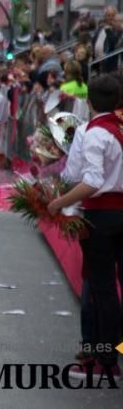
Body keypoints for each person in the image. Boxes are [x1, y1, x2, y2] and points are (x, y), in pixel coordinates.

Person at [49, 75, 123, 380]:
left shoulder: (94, 133)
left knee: (102, 289)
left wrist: (58, 202)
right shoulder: (118, 128)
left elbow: (91, 180)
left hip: (103, 216)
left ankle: (106, 360)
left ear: (89, 101)